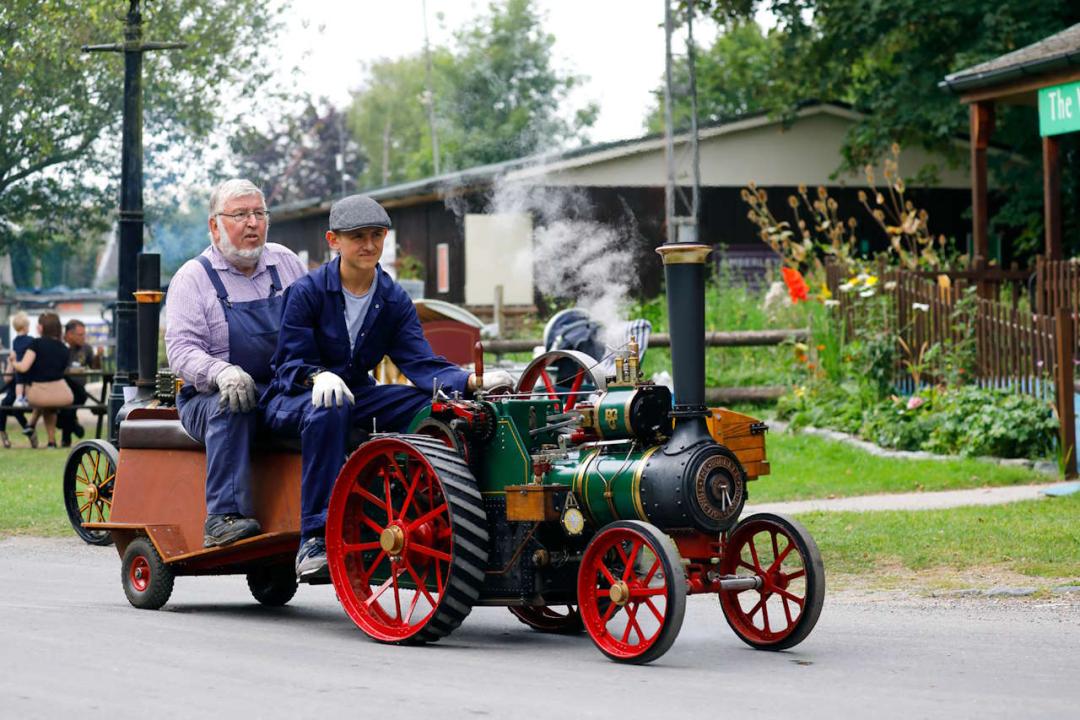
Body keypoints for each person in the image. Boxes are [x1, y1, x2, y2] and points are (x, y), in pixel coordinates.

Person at [263, 194, 512, 581]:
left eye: (377, 235)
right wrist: (316, 376)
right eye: (357, 236)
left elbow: (419, 362)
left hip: (354, 393)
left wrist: (469, 381)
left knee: (424, 404)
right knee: (331, 408)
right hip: (294, 395)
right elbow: (287, 364)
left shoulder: (392, 298)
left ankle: (421, 507)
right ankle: (314, 538)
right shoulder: (307, 291)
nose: (368, 245)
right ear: (334, 241)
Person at [165, 178, 306, 548]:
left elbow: (315, 324)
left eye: (259, 213)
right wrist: (222, 372)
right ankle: (222, 518)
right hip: (208, 398)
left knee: (329, 408)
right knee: (234, 404)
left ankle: (317, 514)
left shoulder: (286, 263)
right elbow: (180, 350)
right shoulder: (193, 278)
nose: (252, 223)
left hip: (277, 389)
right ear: (214, 225)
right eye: (240, 214)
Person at [12, 312, 72, 448]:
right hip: (62, 394)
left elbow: (23, 367)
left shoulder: (36, 344)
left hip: (39, 393)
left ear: (42, 327)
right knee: (49, 407)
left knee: (44, 401)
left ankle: (31, 424)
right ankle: (51, 442)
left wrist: (14, 362)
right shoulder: (64, 348)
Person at [57, 319, 102, 447]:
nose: (84, 338)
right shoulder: (60, 347)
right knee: (67, 410)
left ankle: (69, 432)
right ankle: (73, 428)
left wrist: (98, 356)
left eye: (84, 334)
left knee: (67, 411)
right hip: (61, 389)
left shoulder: (86, 348)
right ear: (70, 335)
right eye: (80, 335)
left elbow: (95, 368)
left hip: (79, 392)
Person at [0, 312, 33, 448]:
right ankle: (3, 435)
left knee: (15, 409)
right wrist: (10, 362)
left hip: (26, 384)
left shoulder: (23, 344)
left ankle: (31, 433)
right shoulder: (13, 351)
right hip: (15, 386)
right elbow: (8, 379)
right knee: (3, 405)